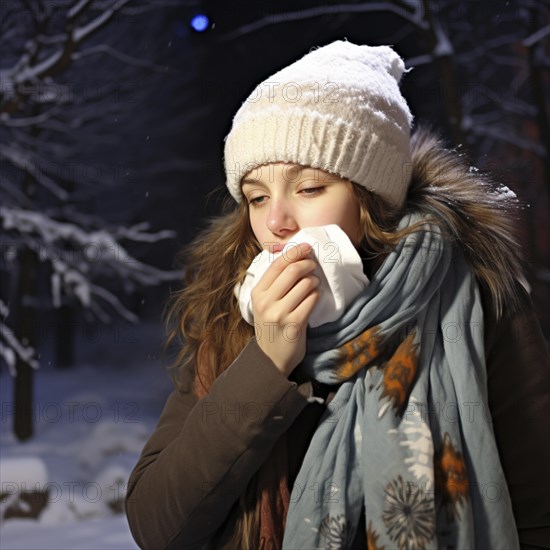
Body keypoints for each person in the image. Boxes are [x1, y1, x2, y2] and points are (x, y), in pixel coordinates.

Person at [125, 40, 550, 550]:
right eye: (257, 197)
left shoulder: (475, 299)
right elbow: (156, 525)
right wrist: (265, 365)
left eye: (308, 189)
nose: (276, 222)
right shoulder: (234, 313)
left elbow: (538, 514)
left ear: (370, 198)